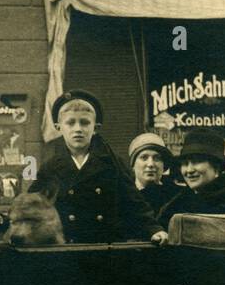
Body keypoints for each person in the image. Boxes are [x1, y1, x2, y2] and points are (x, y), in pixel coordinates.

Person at [29, 90, 168, 245]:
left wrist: (154, 229)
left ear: (95, 127)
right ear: (58, 127)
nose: (78, 129)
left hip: (105, 249)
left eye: (85, 122)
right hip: (68, 250)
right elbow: (32, 205)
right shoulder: (51, 167)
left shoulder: (112, 164)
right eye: (70, 122)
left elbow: (134, 203)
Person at [149, 129, 225, 228]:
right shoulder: (179, 200)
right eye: (185, 164)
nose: (189, 170)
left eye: (196, 162)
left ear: (216, 168)